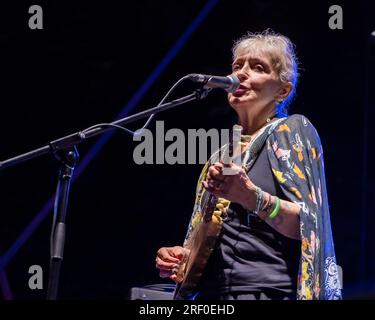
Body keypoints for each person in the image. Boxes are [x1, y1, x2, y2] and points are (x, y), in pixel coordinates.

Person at [155, 30, 342, 300]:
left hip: (266, 292)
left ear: (283, 90)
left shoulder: (292, 129)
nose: (242, 73)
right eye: (237, 66)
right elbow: (215, 234)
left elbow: (310, 223)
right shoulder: (224, 151)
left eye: (257, 68)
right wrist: (183, 256)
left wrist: (250, 196)